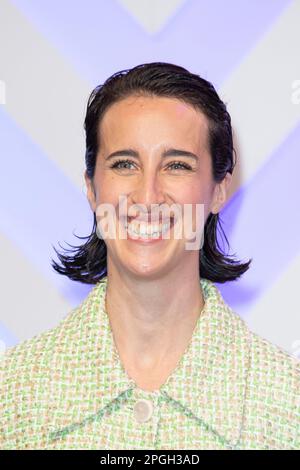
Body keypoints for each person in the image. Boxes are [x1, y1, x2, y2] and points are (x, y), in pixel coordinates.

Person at [0, 62, 299, 450]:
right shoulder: (12, 396)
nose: (147, 196)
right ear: (92, 187)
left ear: (219, 190)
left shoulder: (287, 406)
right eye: (125, 164)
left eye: (177, 165)